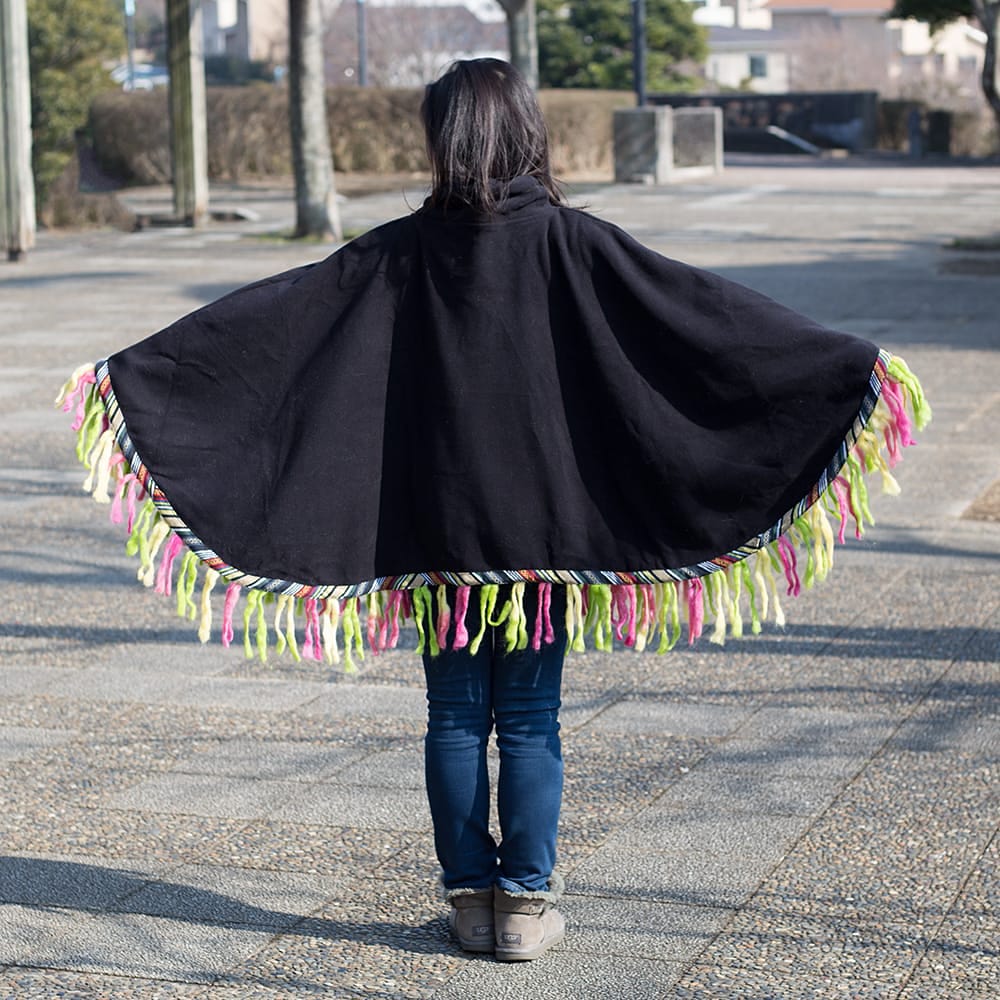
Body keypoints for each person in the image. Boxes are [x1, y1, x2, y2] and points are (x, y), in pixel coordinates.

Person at [58, 59, 928, 962]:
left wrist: (135, 378)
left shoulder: (393, 257)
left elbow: (272, 327)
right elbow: (706, 319)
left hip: (439, 528)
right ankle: (522, 908)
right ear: (527, 131)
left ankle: (470, 903)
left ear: (442, 140)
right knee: (531, 719)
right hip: (543, 532)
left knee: (453, 717)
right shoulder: (577, 245)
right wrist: (843, 366)